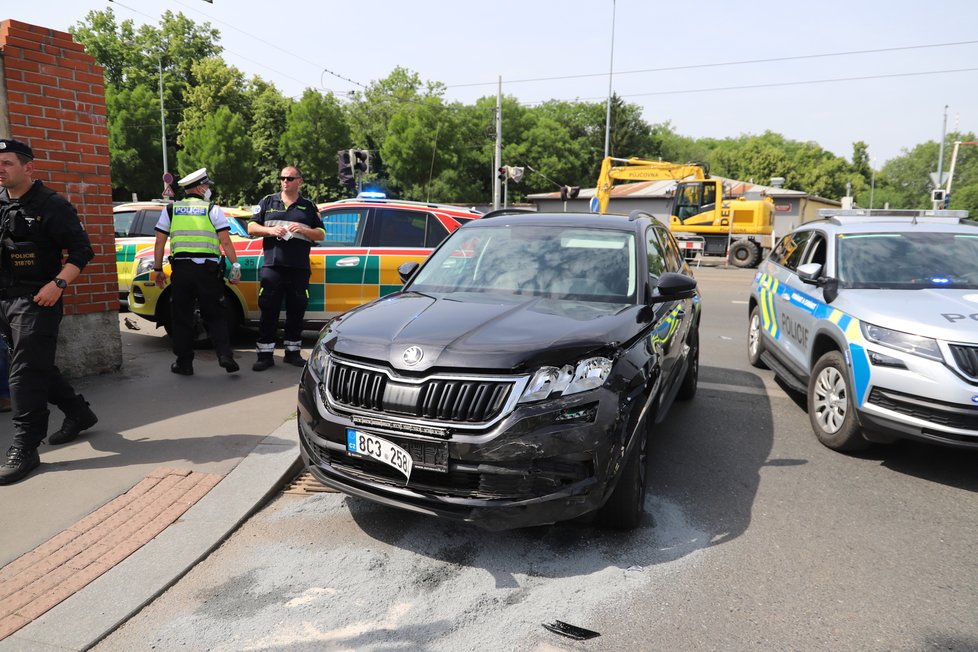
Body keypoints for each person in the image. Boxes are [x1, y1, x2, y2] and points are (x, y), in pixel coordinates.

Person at [0, 138, 98, 484]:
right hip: (5, 300)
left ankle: (26, 446)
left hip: (38, 300)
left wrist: (57, 284)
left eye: (7, 162)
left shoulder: (52, 204)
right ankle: (79, 413)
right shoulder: (0, 203)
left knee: (24, 372)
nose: (1, 168)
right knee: (33, 364)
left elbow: (83, 251)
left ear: (29, 168)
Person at [152, 168, 241, 376]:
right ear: (201, 187)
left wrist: (157, 269)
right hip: (208, 272)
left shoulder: (171, 209)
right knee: (216, 314)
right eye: (207, 186)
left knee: (181, 317)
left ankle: (184, 363)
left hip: (182, 271)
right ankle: (225, 355)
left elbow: (159, 241)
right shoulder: (212, 209)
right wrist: (235, 266)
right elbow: (225, 241)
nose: (208, 189)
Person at [247, 166, 324, 371]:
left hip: (298, 268)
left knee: (296, 311)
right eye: (282, 178)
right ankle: (265, 355)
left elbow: (321, 234)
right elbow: (251, 227)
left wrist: (305, 230)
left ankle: (292, 353)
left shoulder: (308, 206)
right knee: (268, 310)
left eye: (290, 178)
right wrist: (271, 230)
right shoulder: (268, 201)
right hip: (273, 267)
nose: (285, 181)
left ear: (300, 181)